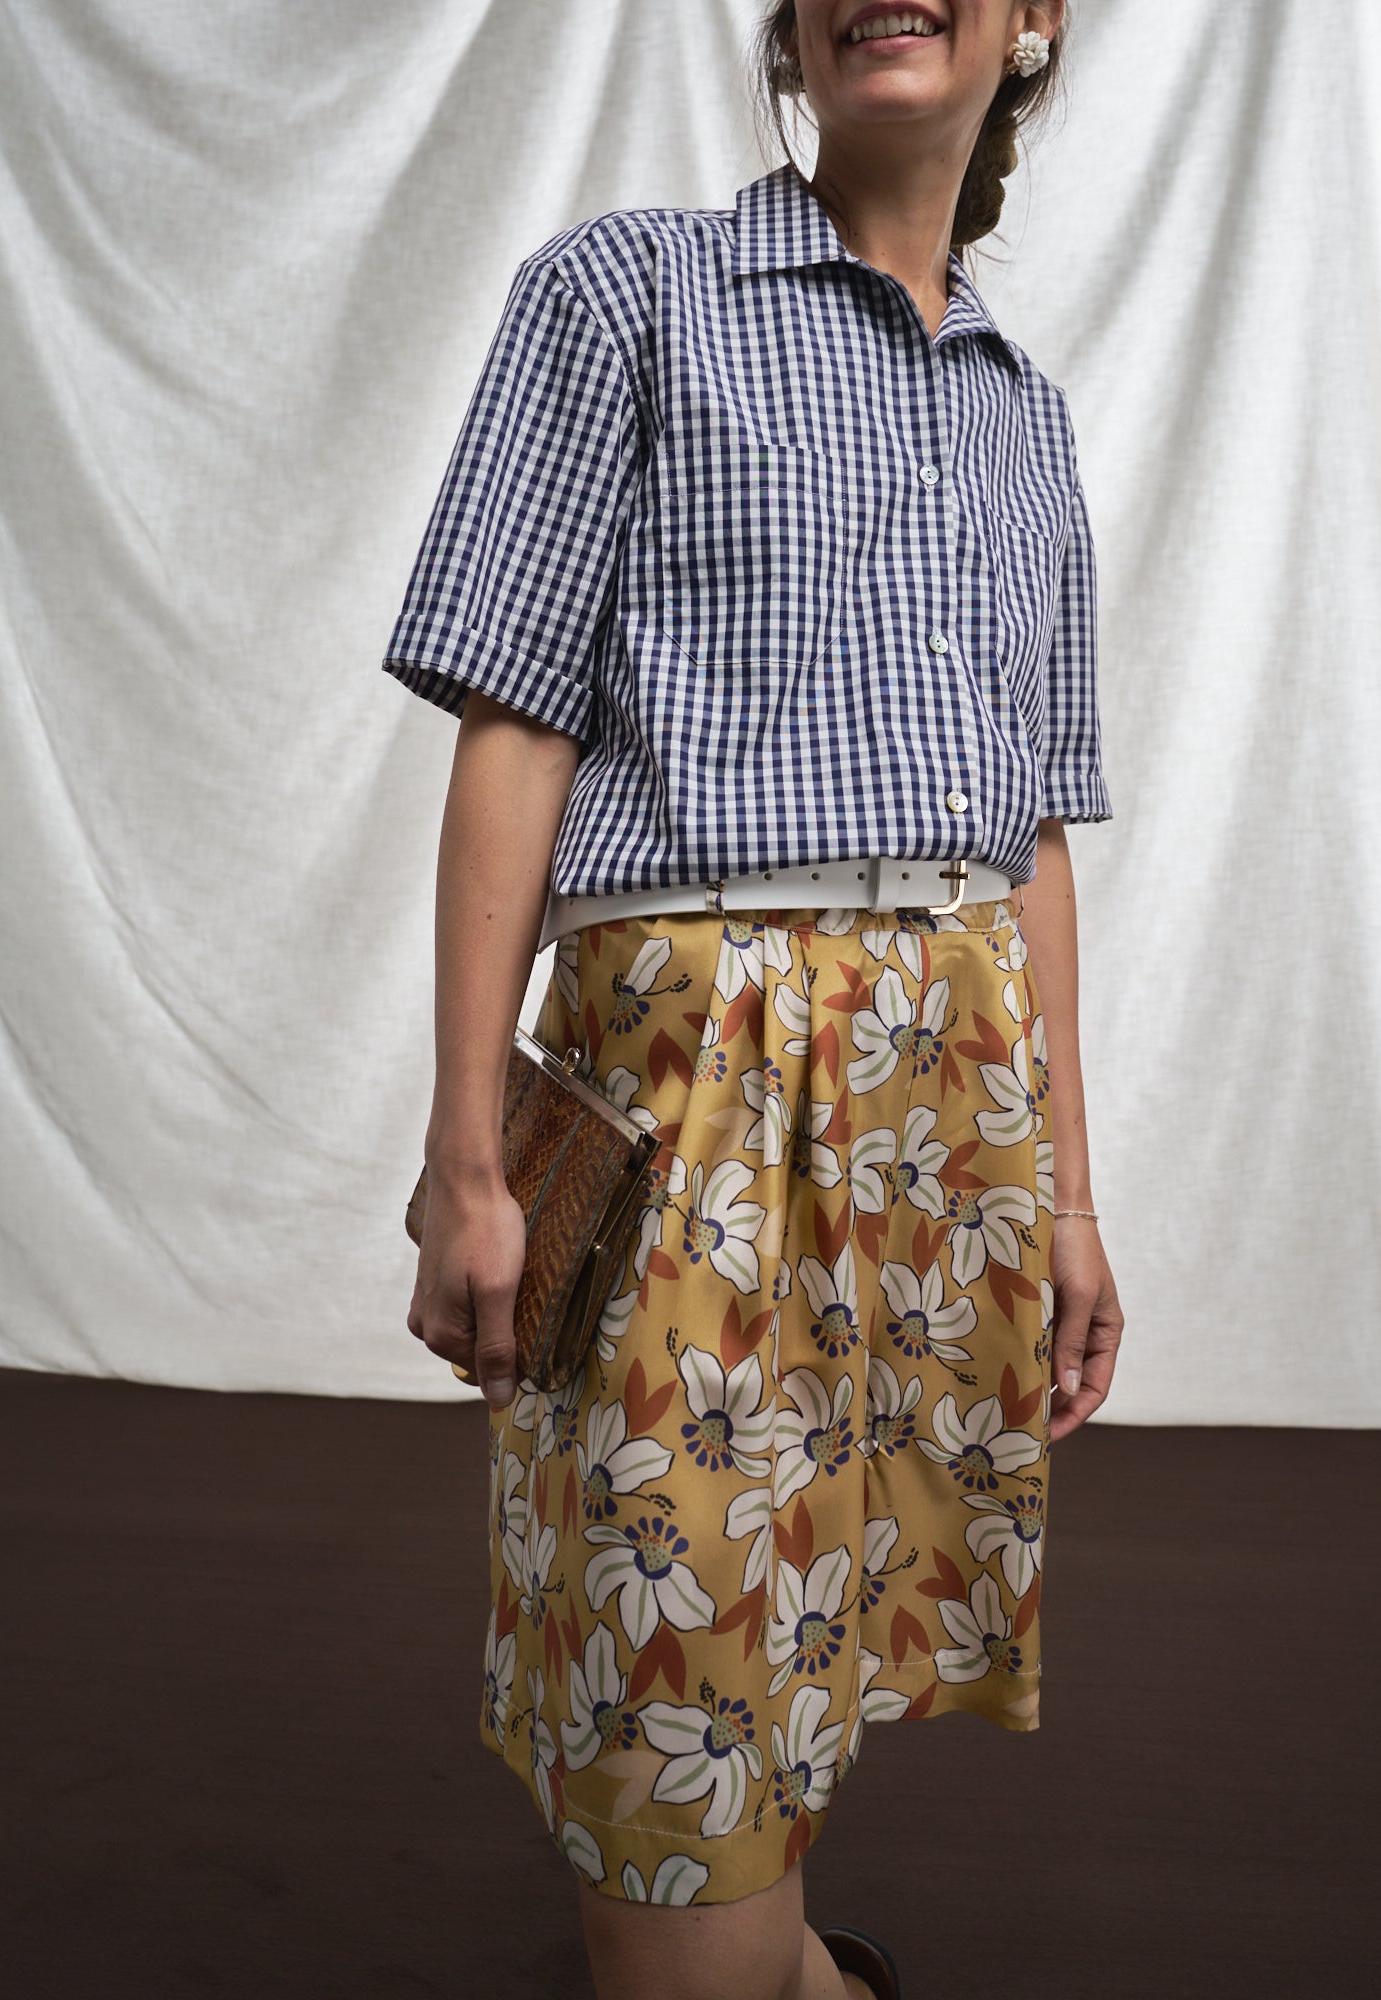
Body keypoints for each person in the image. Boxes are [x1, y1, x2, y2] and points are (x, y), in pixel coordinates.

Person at [385, 4, 1125, 1994]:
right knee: (673, 1665)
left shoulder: (1025, 414)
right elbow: (512, 722)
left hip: (946, 1090)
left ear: (1035, 20)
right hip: (691, 1076)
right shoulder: (626, 292)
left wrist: (1066, 1194)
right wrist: (469, 1154)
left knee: (817, 1634)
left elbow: (1036, 832)